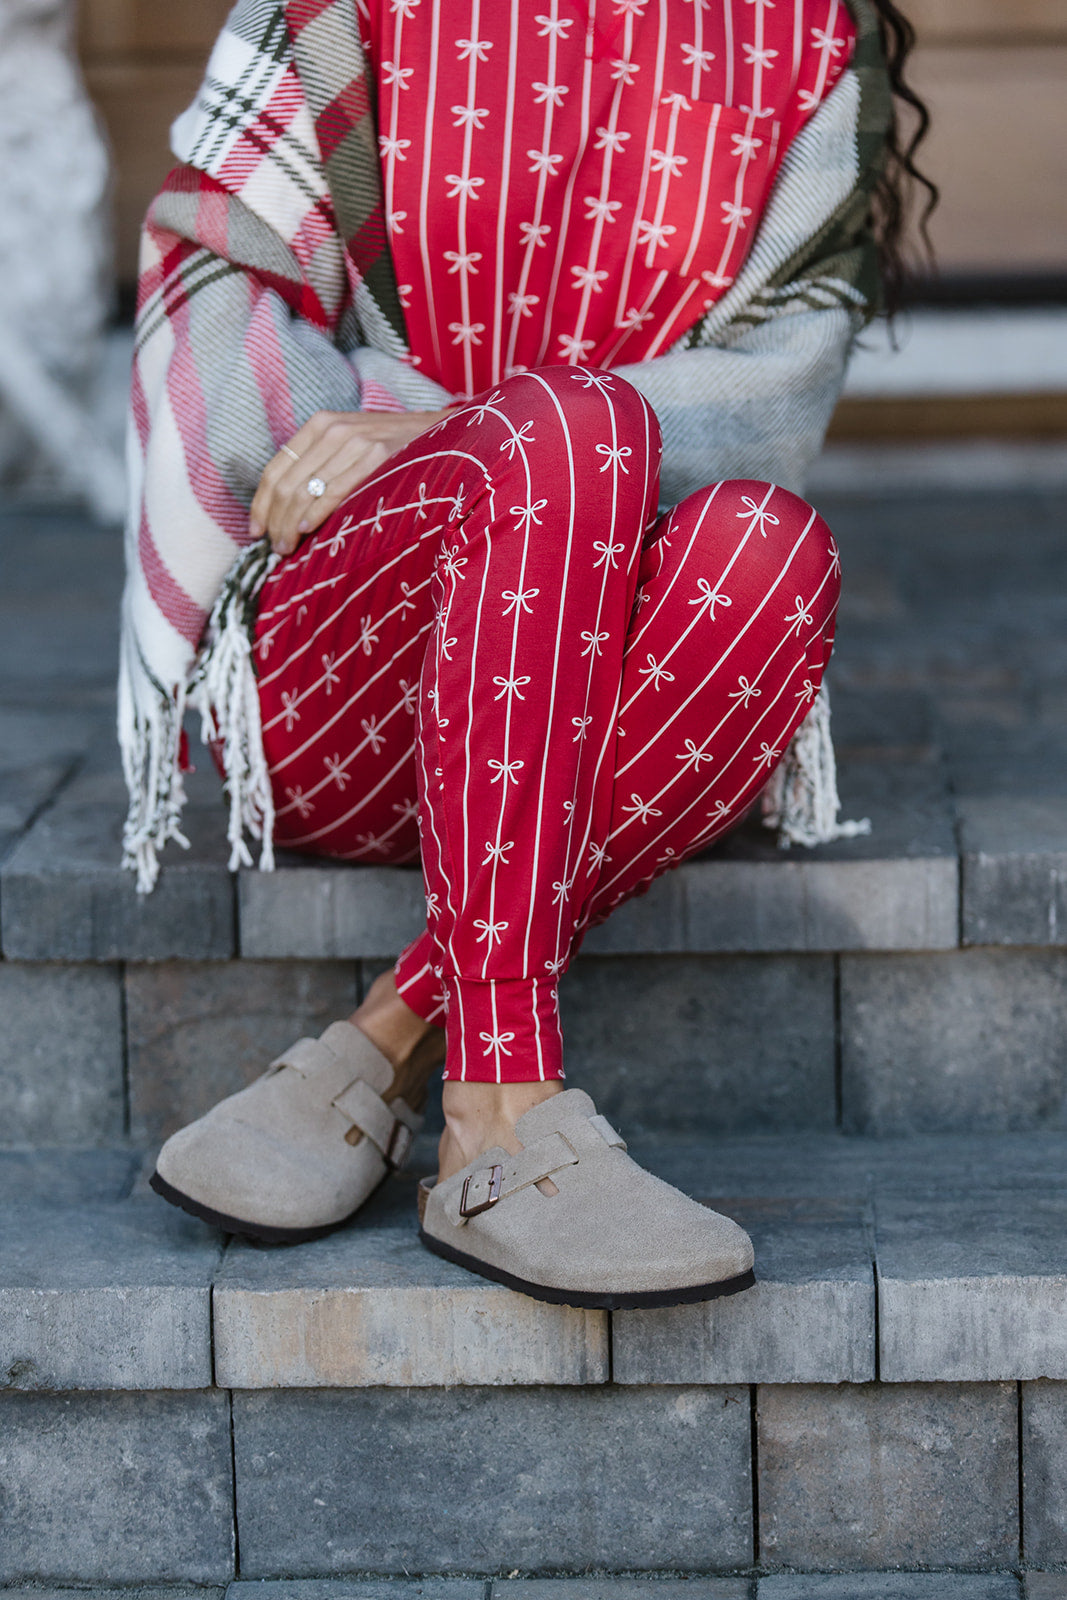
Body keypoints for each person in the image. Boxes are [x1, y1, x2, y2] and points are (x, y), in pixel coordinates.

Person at [120, 0, 934, 1308]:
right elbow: (222, 297)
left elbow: (778, 397)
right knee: (566, 431)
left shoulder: (798, 34)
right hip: (350, 675)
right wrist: (455, 443)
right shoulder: (345, 9)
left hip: (607, 707)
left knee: (768, 551)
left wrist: (502, 427)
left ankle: (389, 1038)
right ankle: (502, 1104)